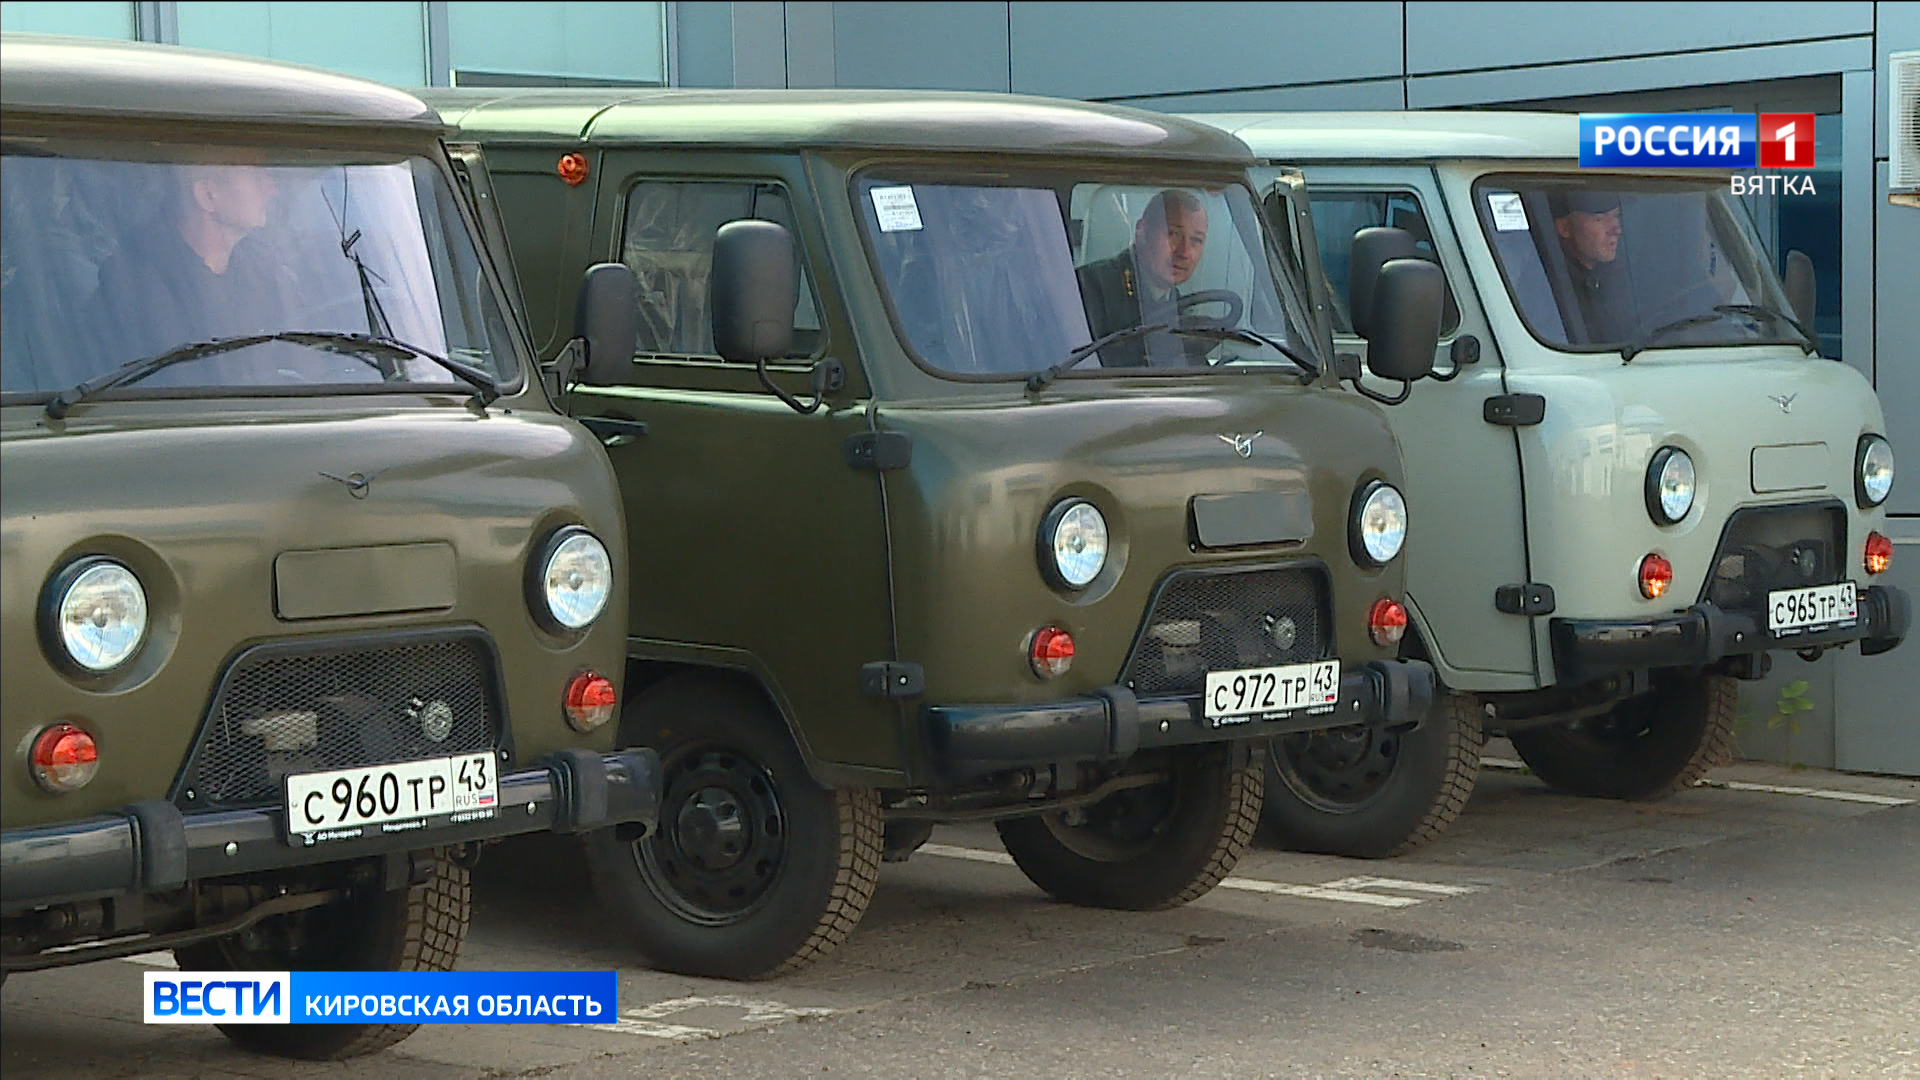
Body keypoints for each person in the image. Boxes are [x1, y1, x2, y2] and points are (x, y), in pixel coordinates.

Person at [88, 163, 298, 374]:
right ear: (207, 195)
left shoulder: (262, 271)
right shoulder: (132, 288)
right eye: (256, 179)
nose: (272, 190)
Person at [1078, 188, 1212, 367]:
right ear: (1141, 231)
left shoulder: (1177, 308)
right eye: (1172, 234)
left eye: (1196, 240)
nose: (1184, 252)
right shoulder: (1090, 288)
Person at [1548, 188, 1637, 344]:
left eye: (1616, 216)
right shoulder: (1545, 287)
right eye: (1599, 219)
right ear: (1564, 228)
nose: (1616, 229)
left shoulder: (1630, 277)